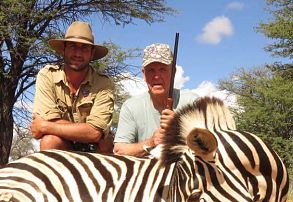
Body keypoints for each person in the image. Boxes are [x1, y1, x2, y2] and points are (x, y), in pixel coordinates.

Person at [31, 21, 114, 153]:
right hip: (63, 145)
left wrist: (45, 126)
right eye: (72, 46)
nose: (78, 54)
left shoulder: (103, 83)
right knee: (50, 141)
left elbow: (95, 133)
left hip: (96, 151)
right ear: (63, 49)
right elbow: (91, 131)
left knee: (106, 143)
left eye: (85, 48)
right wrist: (85, 131)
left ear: (92, 54)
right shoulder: (47, 75)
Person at [113, 43, 198, 157]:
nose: (157, 76)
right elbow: (119, 150)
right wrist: (152, 142)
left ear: (173, 72)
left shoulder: (192, 103)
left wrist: (180, 127)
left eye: (162, 70)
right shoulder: (131, 106)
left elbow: (211, 145)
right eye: (151, 70)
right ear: (144, 74)